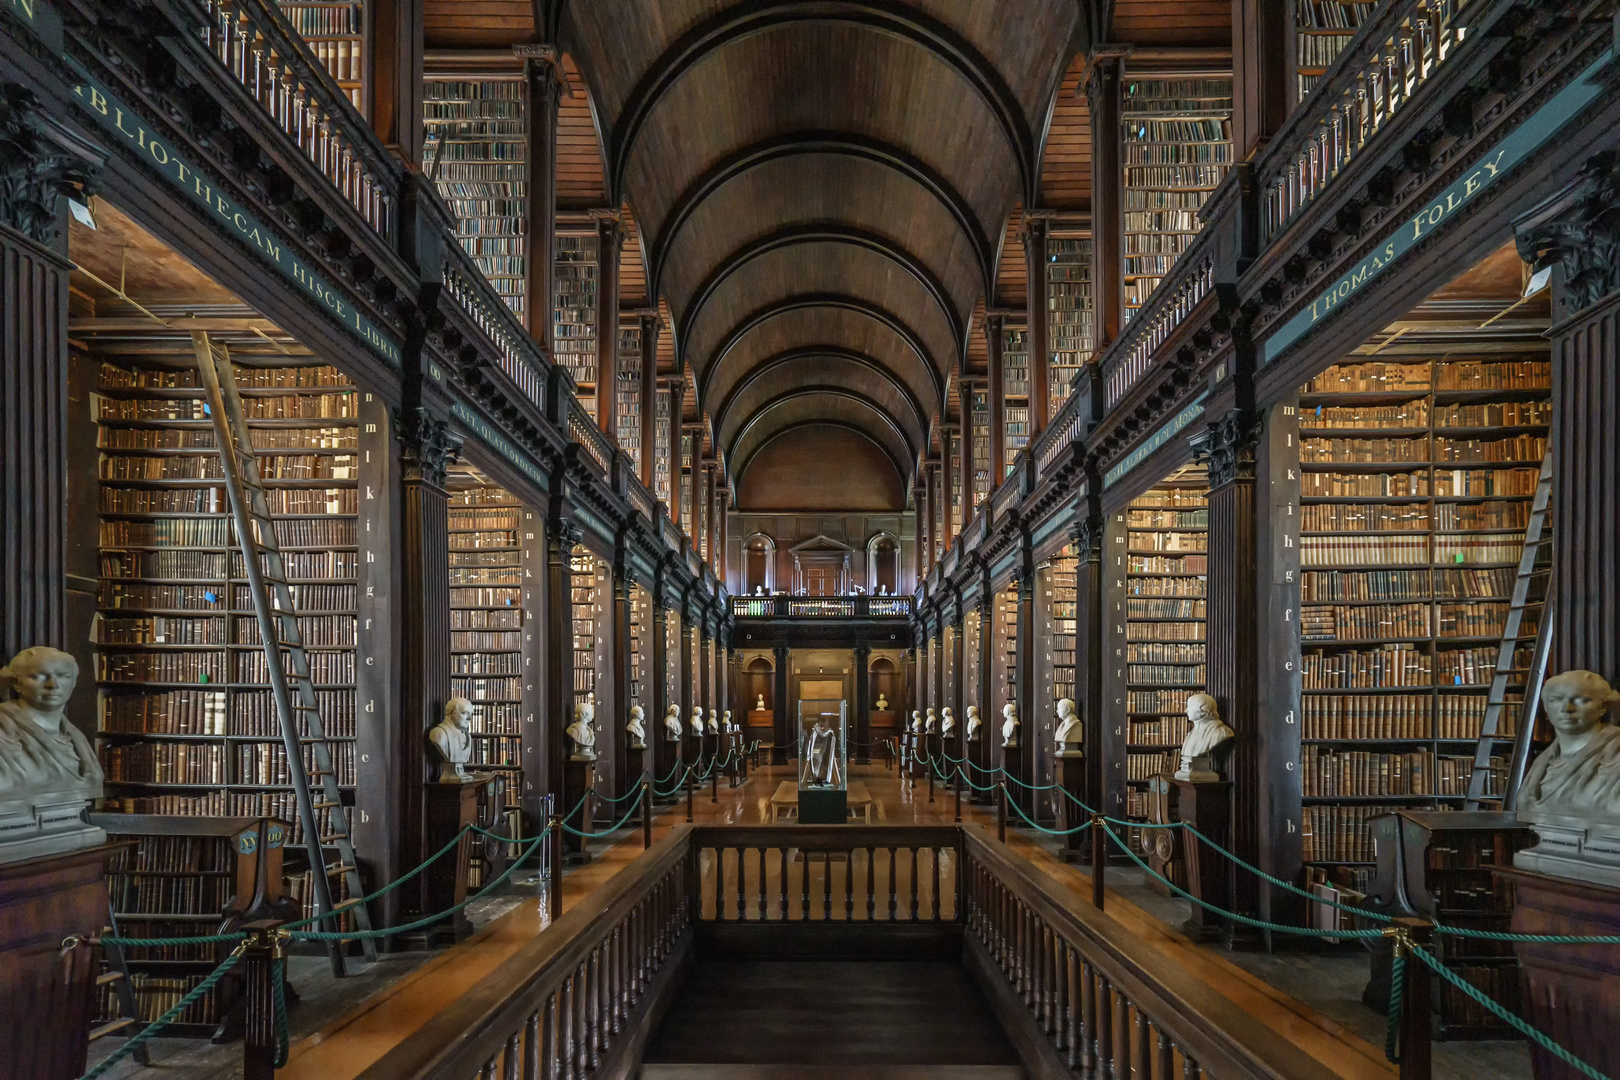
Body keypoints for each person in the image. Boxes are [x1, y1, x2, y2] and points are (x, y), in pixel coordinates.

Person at [1518, 670, 1620, 823]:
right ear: (1546, 707)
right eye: (1556, 700)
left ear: (1603, 706)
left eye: (1580, 700)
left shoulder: (1615, 753)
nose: (1567, 709)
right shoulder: (1543, 761)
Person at [0, 646, 102, 798]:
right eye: (39, 676)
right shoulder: (4, 728)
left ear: (73, 683)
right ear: (16, 683)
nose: (53, 685)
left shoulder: (76, 737)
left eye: (63, 676)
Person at [427, 697, 474, 781]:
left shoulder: (466, 736)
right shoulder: (439, 734)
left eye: (471, 714)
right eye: (464, 713)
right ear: (452, 713)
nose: (469, 718)